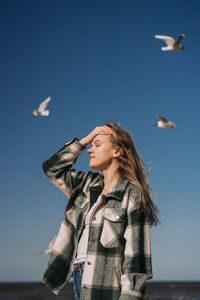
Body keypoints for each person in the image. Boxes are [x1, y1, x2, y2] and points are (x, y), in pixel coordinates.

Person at [42, 121, 159, 300]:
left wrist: (129, 296)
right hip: (80, 276)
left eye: (97, 145)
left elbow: (136, 259)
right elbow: (52, 169)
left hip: (108, 285)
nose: (90, 150)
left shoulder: (131, 193)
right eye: (90, 146)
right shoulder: (85, 184)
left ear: (117, 151)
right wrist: (85, 140)